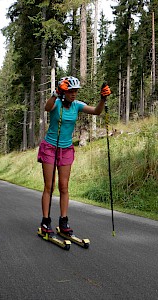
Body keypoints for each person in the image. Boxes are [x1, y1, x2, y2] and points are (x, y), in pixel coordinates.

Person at [37, 76, 111, 236]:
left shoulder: (77, 106)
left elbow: (97, 111)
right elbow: (46, 107)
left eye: (76, 91)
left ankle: (63, 221)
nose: (74, 94)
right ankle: (45, 221)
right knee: (49, 186)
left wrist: (103, 99)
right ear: (64, 91)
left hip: (66, 149)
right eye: (71, 91)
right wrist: (55, 94)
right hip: (50, 147)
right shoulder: (56, 103)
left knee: (64, 186)